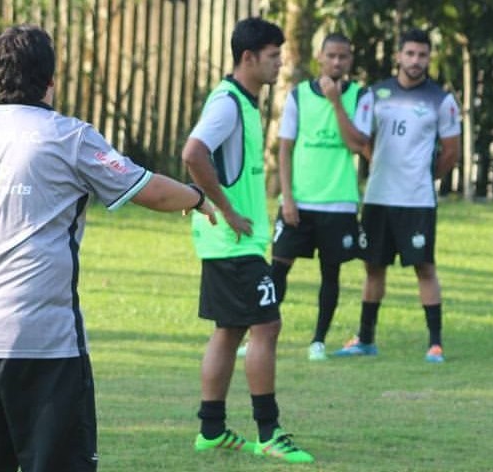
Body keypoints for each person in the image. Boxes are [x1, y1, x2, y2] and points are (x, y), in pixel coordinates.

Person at [0, 25, 216, 472]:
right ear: (51, 80)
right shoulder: (69, 136)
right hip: (43, 341)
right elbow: (148, 190)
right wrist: (197, 198)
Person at [181, 17, 313, 463]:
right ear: (248, 58)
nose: (280, 63)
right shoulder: (228, 104)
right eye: (274, 56)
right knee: (267, 325)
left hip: (229, 241)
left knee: (231, 329)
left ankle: (212, 430)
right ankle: (268, 432)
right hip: (233, 241)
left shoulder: (243, 102)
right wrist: (228, 208)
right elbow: (192, 152)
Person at [333, 28, 461, 363]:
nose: (416, 61)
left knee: (424, 268)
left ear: (428, 58)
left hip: (417, 199)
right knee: (373, 268)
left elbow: (450, 153)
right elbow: (361, 140)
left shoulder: (441, 100)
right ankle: (366, 338)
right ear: (398, 56)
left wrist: (423, 175)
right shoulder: (375, 94)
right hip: (378, 196)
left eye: (422, 55)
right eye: (410, 54)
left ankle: (435, 343)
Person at [271, 33, 367, 362]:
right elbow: (285, 149)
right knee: (278, 267)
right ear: (320, 59)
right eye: (332, 56)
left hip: (338, 202)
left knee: (331, 273)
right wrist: (288, 198)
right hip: (300, 201)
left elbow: (357, 145)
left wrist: (336, 103)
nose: (337, 62)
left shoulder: (360, 96)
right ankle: (260, 333)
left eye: (344, 56)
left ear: (350, 61)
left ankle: (318, 341)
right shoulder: (298, 96)